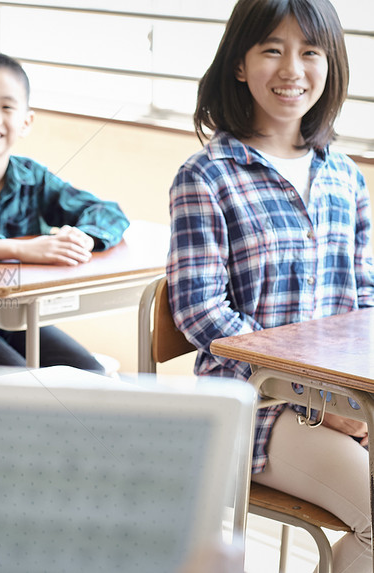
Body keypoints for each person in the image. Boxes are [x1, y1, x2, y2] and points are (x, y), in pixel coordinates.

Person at [166, 0, 374, 571]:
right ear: (240, 64)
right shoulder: (206, 176)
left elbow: (367, 303)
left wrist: (352, 400)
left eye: (310, 51)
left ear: (330, 65)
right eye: (272, 49)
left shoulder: (346, 176)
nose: (293, 69)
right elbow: (202, 314)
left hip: (350, 404)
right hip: (254, 408)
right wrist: (323, 399)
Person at [0, 52, 130, 374]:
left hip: (20, 319)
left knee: (91, 374)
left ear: (26, 121)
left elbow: (106, 211)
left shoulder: (33, 178)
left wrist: (85, 238)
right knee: (23, 383)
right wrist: (19, 248)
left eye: (7, 107)